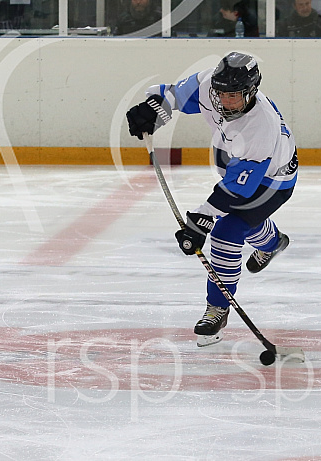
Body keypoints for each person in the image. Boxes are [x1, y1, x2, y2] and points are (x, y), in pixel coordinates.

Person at [126, 52, 298, 347]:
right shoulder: (210, 83)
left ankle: (217, 308)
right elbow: (175, 96)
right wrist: (152, 111)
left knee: (226, 232)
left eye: (234, 96)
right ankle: (272, 243)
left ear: (251, 91)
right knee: (243, 222)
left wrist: (200, 221)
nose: (225, 102)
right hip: (235, 159)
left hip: (273, 179)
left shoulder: (261, 127)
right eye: (221, 94)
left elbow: (236, 192)